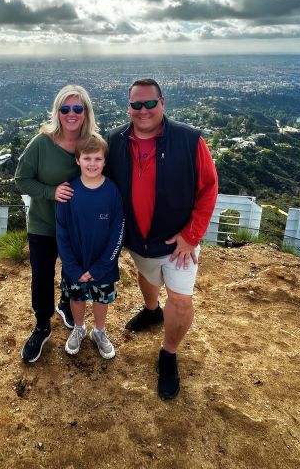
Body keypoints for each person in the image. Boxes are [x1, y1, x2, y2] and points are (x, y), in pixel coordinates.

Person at [105, 78, 218, 399]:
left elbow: (208, 189)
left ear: (162, 103)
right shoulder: (114, 141)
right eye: (136, 105)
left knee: (180, 299)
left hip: (179, 242)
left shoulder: (189, 140)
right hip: (138, 239)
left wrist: (191, 236)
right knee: (146, 275)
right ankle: (152, 310)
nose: (143, 110)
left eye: (149, 103)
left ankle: (168, 353)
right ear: (128, 107)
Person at [15, 85, 99, 363]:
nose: (71, 114)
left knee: (72, 272)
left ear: (86, 112)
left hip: (76, 227)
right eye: (65, 109)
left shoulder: (91, 144)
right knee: (41, 277)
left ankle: (65, 305)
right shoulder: (41, 143)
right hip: (42, 224)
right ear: (57, 112)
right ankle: (41, 326)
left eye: (78, 108)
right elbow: (21, 179)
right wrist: (51, 193)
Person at [56, 135, 125, 360]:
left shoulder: (113, 192)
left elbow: (118, 232)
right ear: (77, 160)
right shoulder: (69, 192)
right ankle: (79, 328)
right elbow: (62, 232)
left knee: (100, 299)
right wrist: (72, 266)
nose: (92, 163)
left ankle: (99, 332)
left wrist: (102, 265)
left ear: (105, 161)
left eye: (98, 158)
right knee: (76, 297)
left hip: (103, 265)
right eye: (87, 158)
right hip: (74, 263)